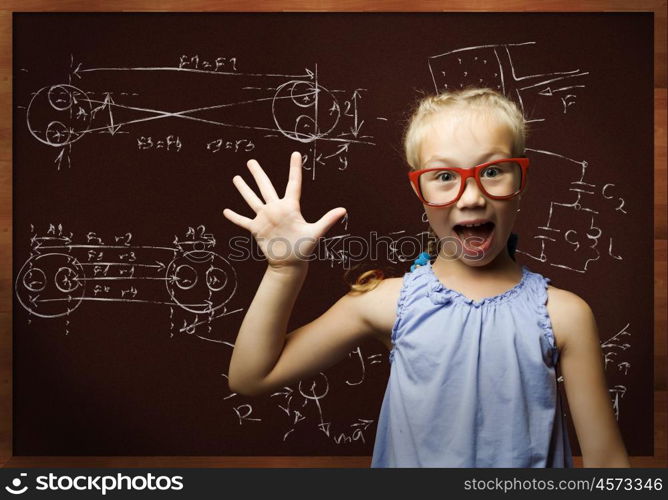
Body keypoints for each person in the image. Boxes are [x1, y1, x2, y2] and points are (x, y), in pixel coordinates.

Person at [222, 87, 629, 468]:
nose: (471, 197)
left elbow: (607, 464)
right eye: (445, 176)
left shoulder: (566, 316)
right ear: (420, 192)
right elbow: (250, 377)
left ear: (521, 180)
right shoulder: (386, 302)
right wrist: (284, 269)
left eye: (493, 171)